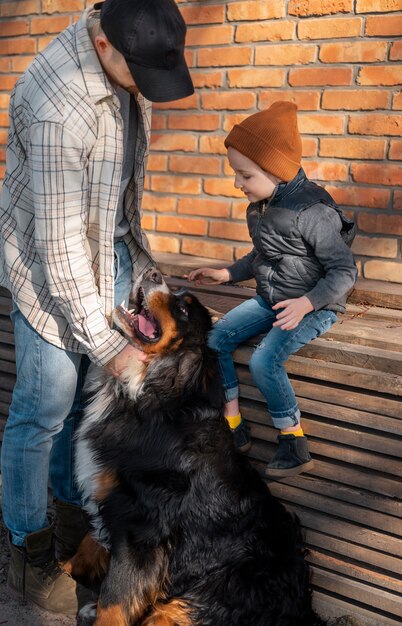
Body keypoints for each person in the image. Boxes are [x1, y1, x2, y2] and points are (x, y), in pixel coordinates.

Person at [0, 0, 193, 615]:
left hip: (100, 250)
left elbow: (117, 197)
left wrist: (137, 265)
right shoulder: (58, 102)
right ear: (105, 47)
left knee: (81, 397)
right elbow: (57, 247)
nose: (149, 86)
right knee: (44, 407)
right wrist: (109, 345)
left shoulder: (126, 59)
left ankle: (64, 525)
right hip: (45, 262)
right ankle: (27, 554)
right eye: (143, 73)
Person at [187, 101, 357, 479]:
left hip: (314, 306)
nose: (237, 183)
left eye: (244, 175)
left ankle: (292, 441)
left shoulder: (312, 212)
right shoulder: (261, 206)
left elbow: (344, 271)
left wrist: (308, 303)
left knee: (265, 361)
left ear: (275, 170)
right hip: (271, 299)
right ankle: (233, 426)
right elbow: (261, 256)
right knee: (216, 340)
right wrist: (228, 274)